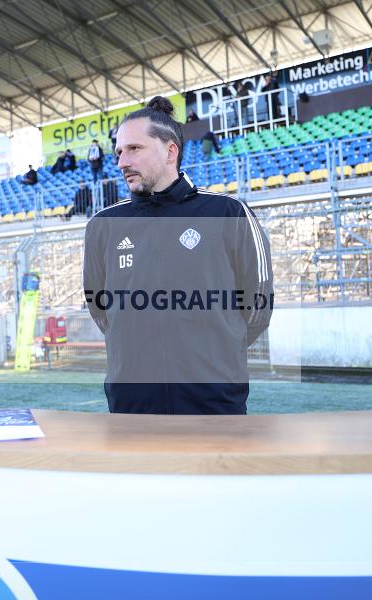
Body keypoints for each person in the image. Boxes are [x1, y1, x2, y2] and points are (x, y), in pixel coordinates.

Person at [84, 96, 273, 415]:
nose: (121, 162)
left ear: (170, 151)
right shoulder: (103, 226)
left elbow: (258, 306)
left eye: (134, 149)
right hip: (131, 404)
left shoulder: (228, 213)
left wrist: (218, 354)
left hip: (213, 403)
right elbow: (100, 307)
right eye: (118, 152)